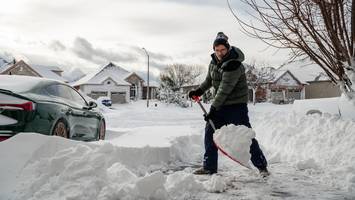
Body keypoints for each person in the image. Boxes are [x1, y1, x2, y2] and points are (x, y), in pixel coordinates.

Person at [188, 32, 269, 176]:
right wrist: (198, 91)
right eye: (217, 50)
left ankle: (262, 166)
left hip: (236, 106)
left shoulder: (234, 64)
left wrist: (213, 108)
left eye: (222, 50)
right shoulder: (213, 62)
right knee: (210, 133)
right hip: (221, 105)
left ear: (228, 48)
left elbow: (225, 89)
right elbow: (209, 81)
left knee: (244, 136)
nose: (219, 53)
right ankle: (209, 167)